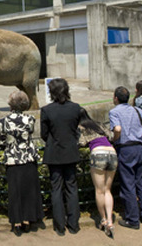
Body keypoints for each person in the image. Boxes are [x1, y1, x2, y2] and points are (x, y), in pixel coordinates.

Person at [40, 78, 84, 236]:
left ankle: (59, 226)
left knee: (56, 188)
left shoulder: (46, 110)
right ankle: (74, 224)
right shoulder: (76, 108)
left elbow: (44, 134)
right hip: (71, 151)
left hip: (54, 152)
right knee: (72, 188)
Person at [0, 90, 43, 236]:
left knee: (15, 190)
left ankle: (16, 222)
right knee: (29, 190)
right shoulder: (30, 120)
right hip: (28, 157)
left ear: (11, 104)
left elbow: (1, 141)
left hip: (12, 158)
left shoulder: (3, 122)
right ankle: (27, 220)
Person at [109, 86, 142, 230]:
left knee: (128, 184)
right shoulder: (137, 110)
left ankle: (133, 219)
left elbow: (117, 129)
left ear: (115, 98)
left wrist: (114, 140)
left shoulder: (114, 112)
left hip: (125, 148)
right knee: (141, 182)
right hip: (139, 147)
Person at [79, 110, 117, 238]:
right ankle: (111, 221)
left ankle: (103, 219)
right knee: (107, 190)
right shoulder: (99, 124)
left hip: (98, 152)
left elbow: (81, 143)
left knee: (99, 190)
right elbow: (110, 136)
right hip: (111, 152)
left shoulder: (81, 127)